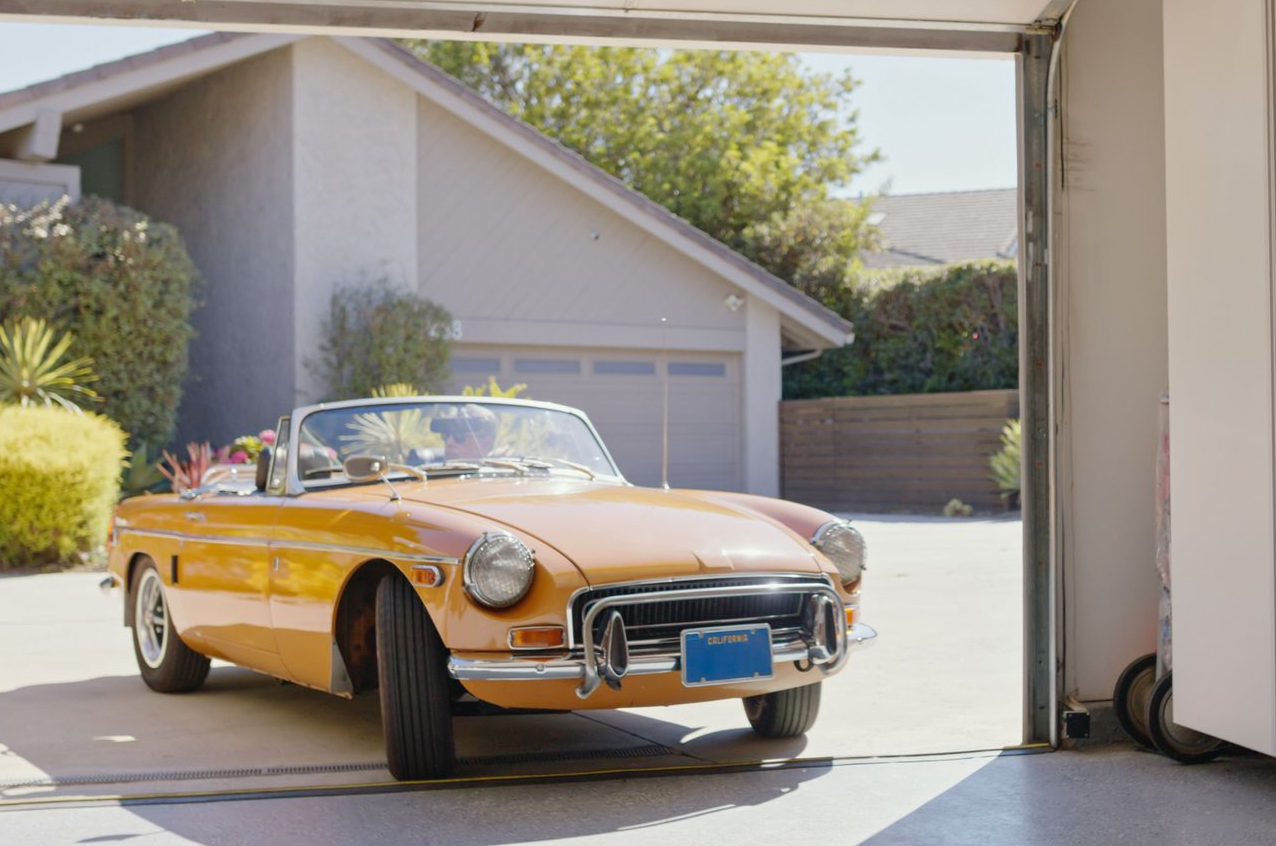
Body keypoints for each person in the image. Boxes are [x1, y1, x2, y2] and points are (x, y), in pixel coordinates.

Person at [431, 404, 499, 460]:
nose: (449, 442)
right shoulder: (428, 471)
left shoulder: (504, 470)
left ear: (486, 442)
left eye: (459, 436)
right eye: (446, 435)